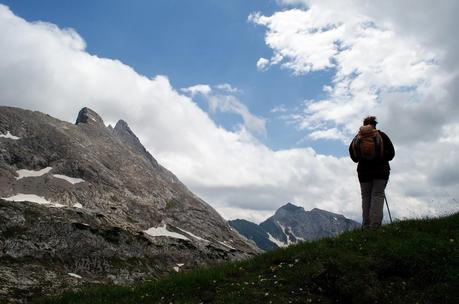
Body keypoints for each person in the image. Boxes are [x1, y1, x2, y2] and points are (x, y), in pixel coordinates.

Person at [349, 116, 395, 229]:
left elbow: (354, 157)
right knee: (377, 195)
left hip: (363, 172)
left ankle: (366, 225)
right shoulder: (382, 136)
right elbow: (391, 154)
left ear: (364, 125)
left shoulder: (357, 138)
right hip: (380, 171)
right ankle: (375, 226)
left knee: (366, 197)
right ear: (375, 125)